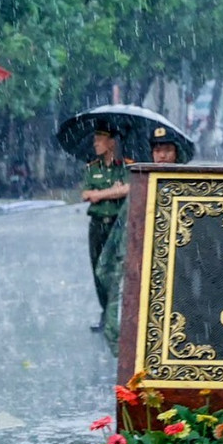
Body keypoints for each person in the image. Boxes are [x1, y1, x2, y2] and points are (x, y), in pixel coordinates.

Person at [82, 123, 131, 327]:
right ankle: (105, 311)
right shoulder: (92, 168)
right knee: (97, 269)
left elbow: (128, 189)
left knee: (114, 269)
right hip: (97, 225)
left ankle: (116, 315)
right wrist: (112, 191)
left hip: (117, 225)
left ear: (111, 142)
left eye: (99, 139)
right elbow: (86, 194)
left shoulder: (126, 167)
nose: (95, 144)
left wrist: (100, 194)